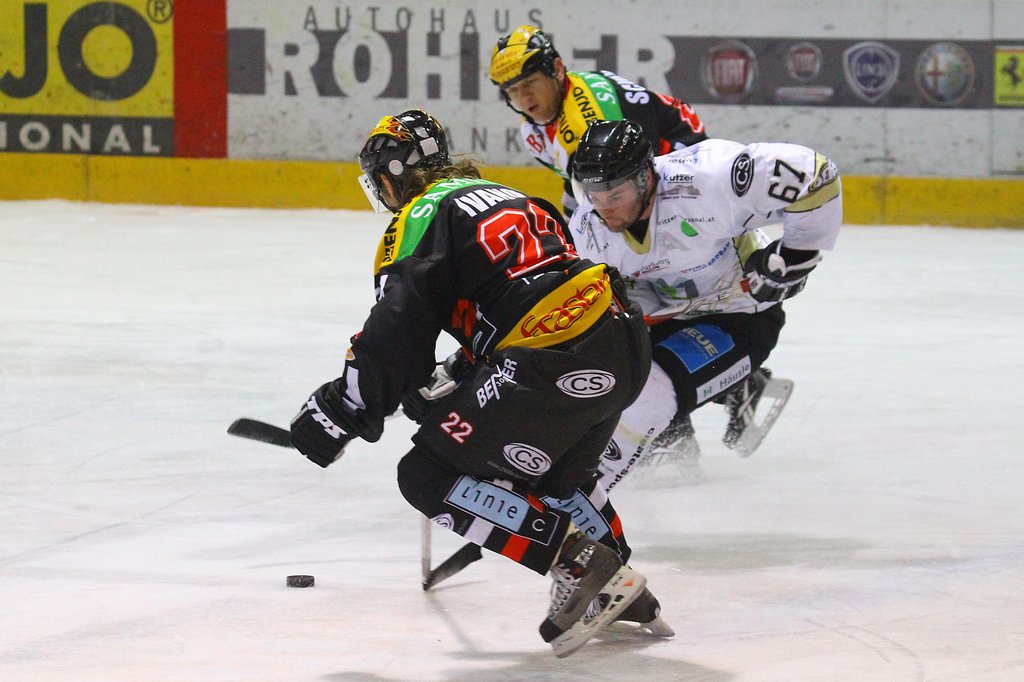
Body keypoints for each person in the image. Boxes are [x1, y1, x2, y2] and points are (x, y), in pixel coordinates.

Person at [288, 109, 669, 657]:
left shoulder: (421, 213)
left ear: (391, 176)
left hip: (550, 358)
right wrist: (464, 375)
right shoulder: (510, 196)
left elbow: (395, 328)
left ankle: (580, 566)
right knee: (553, 477)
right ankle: (624, 591)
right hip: (620, 341)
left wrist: (344, 408)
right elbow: (528, 290)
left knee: (425, 475)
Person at [566, 119, 841, 489]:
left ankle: (588, 495)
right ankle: (689, 422)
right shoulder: (588, 228)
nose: (605, 210)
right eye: (594, 196)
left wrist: (794, 258)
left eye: (615, 196)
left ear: (645, 178)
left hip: (741, 318)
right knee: (599, 370)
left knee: (648, 394)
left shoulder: (707, 179)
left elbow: (816, 176)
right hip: (671, 317)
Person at [489, 25, 707, 215]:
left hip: (684, 159)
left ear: (557, 69)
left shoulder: (585, 117)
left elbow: (615, 193)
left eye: (530, 82)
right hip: (648, 167)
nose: (524, 97)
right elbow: (580, 187)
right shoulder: (534, 127)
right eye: (513, 90)